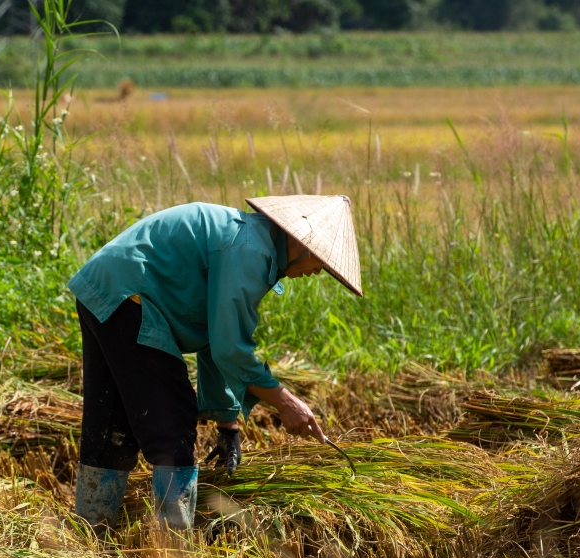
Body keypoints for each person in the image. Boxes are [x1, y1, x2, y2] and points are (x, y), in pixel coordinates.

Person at [67, 194, 362, 531]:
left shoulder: (252, 245)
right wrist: (285, 401)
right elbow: (230, 350)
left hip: (103, 289)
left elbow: (214, 339)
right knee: (171, 423)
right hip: (130, 298)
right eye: (321, 263)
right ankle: (174, 550)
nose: (316, 272)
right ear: (301, 243)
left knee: (112, 422)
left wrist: (227, 424)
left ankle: (90, 531)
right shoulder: (250, 251)